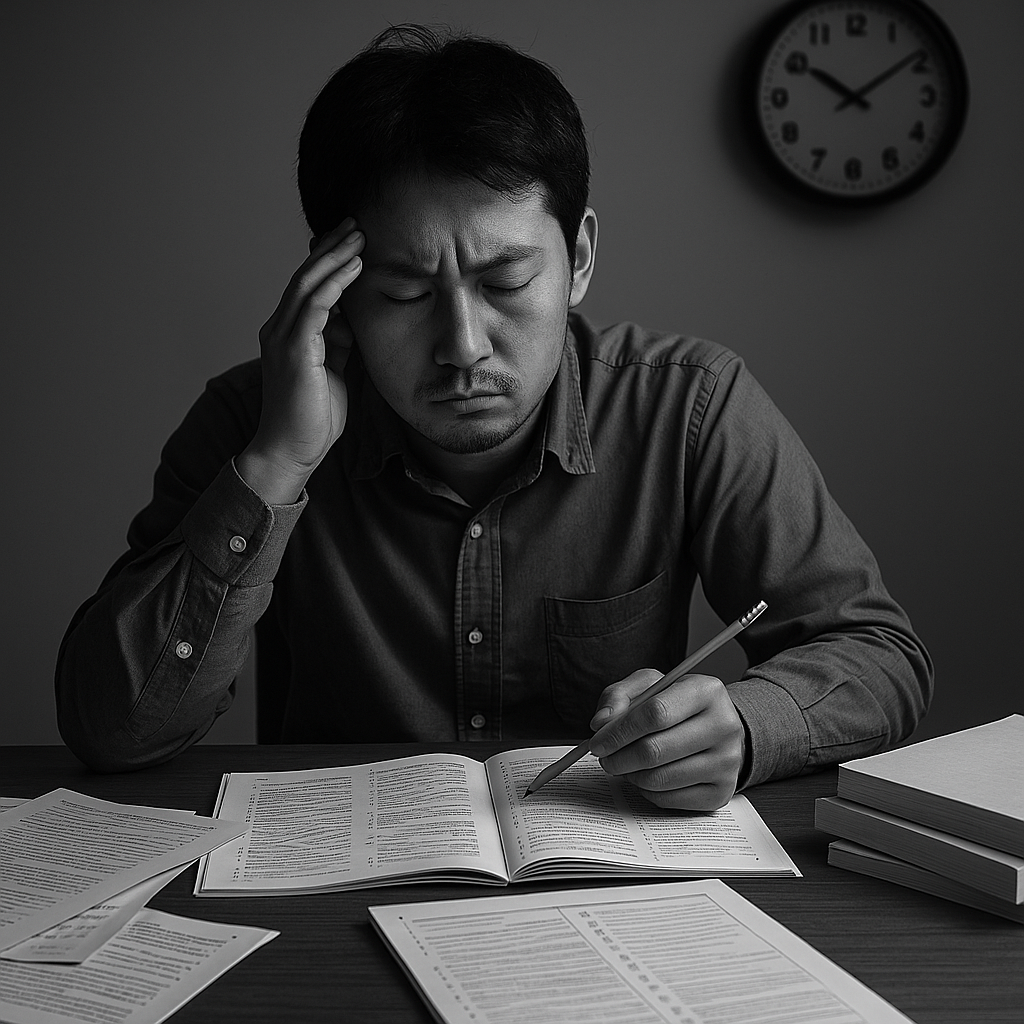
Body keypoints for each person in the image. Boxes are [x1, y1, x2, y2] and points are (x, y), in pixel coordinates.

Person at [55, 25, 932, 809]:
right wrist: (276, 466)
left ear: (578, 258)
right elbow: (114, 730)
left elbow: (878, 654)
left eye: (506, 282)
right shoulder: (252, 423)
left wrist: (746, 722)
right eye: (402, 291)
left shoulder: (690, 406)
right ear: (334, 289)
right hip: (336, 896)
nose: (463, 345)